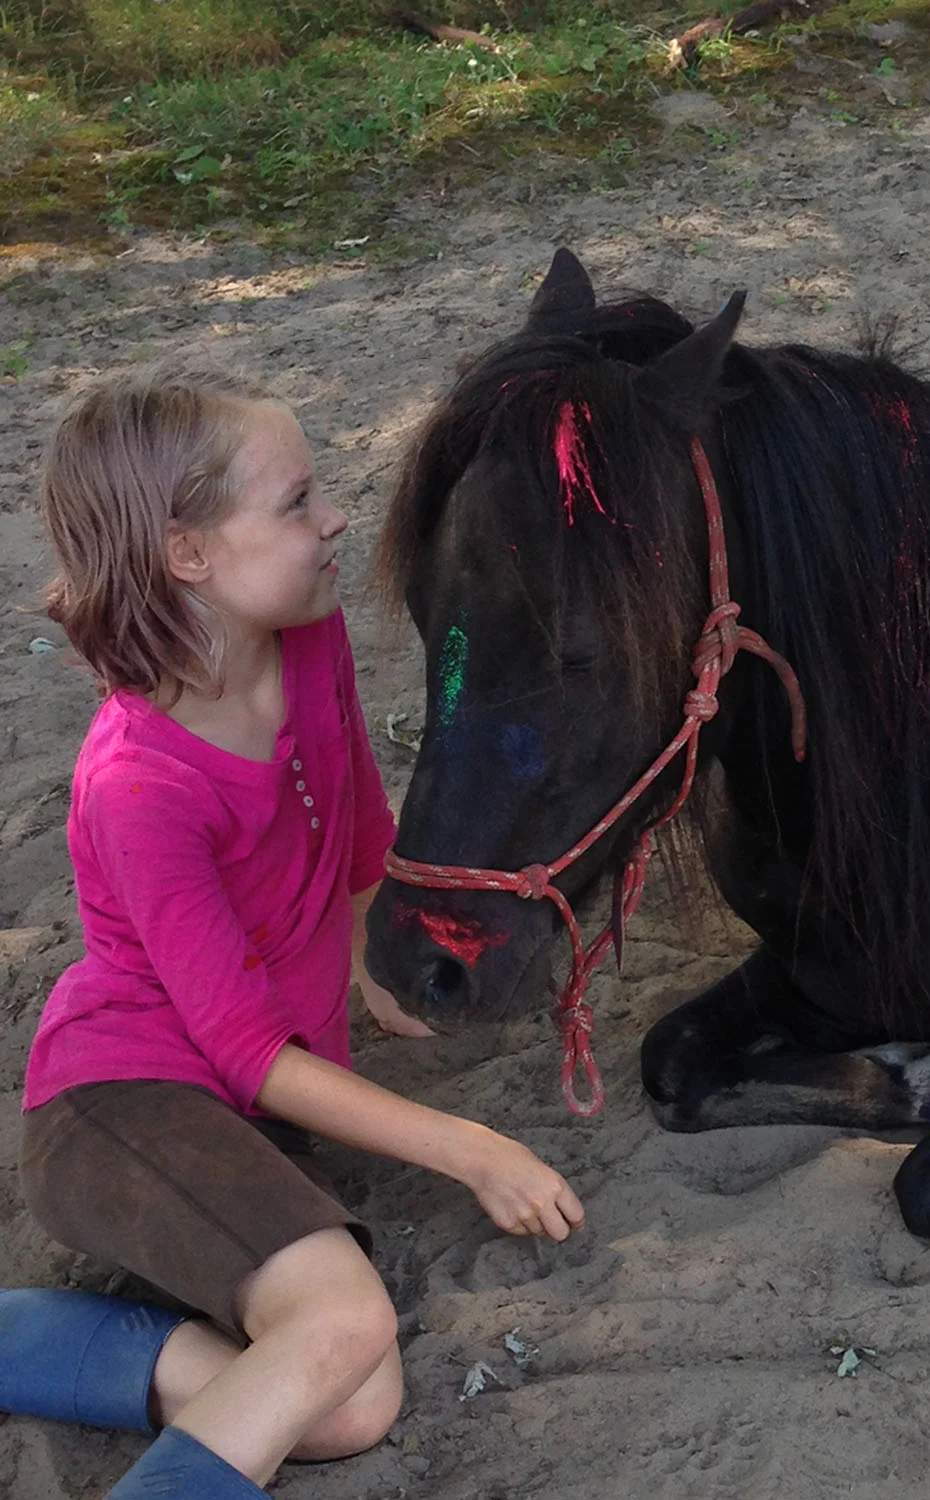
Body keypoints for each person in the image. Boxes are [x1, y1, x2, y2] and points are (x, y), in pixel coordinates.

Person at [1, 371, 584, 1499]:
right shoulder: (137, 784)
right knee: (342, 1320)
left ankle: (27, 1340)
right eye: (296, 501)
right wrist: (473, 1146)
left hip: (250, 1115)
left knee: (349, 1405)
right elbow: (245, 1055)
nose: (334, 520)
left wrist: (373, 965)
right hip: (120, 1105)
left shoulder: (305, 638)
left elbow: (359, 825)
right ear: (189, 555)